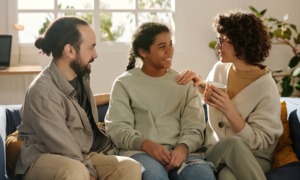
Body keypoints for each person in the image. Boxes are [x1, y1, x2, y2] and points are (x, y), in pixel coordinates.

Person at [14, 16, 142, 180]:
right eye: (91, 47)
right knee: (75, 171)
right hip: (44, 157)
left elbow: (74, 105)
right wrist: (90, 173)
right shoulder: (42, 91)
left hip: (81, 155)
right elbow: (61, 146)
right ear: (70, 51)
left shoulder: (80, 76)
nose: (95, 55)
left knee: (128, 167)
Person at [177, 10, 283, 180]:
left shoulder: (266, 86)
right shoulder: (220, 69)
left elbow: (261, 142)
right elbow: (209, 92)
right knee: (232, 144)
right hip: (217, 150)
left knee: (227, 177)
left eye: (222, 40)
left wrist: (229, 110)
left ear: (241, 43)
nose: (217, 46)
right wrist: (198, 81)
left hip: (255, 156)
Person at [105, 22, 215, 180]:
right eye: (162, 46)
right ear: (143, 51)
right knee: (154, 176)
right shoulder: (124, 83)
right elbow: (117, 128)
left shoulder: (183, 83)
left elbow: (195, 126)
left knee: (202, 176)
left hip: (183, 153)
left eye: (170, 44)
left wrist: (183, 148)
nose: (169, 50)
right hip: (141, 153)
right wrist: (146, 144)